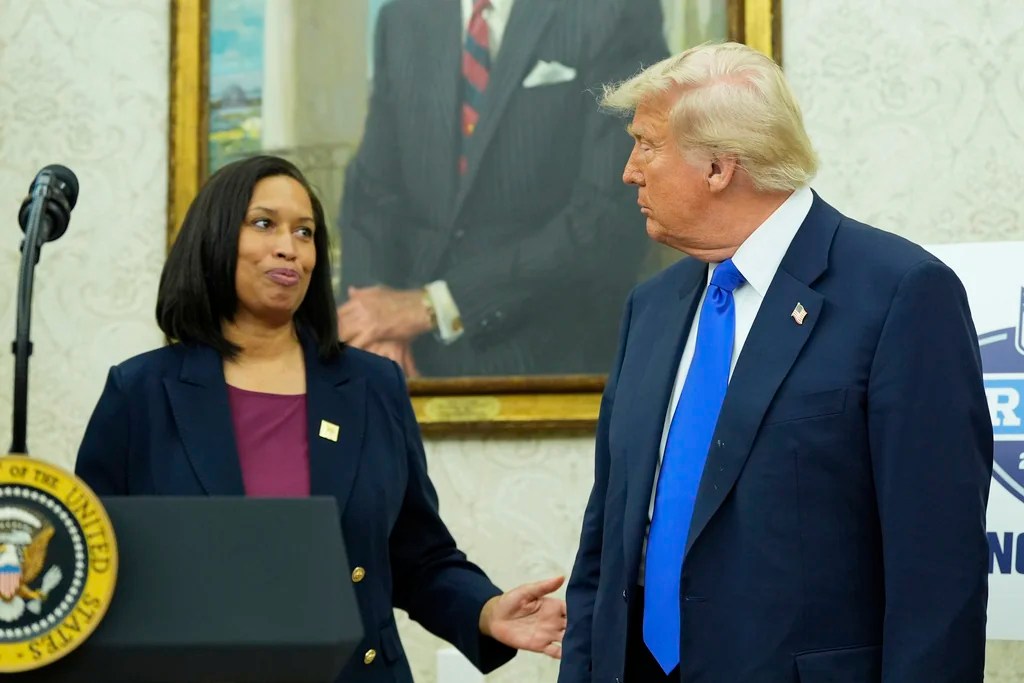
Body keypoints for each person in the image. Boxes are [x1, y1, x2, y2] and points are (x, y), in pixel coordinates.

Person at [559, 42, 993, 683]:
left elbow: (937, 572)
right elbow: (605, 543)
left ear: (717, 167)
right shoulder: (649, 308)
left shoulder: (900, 294)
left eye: (646, 145)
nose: (629, 171)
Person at [75, 155, 566, 682]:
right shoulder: (142, 392)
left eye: (305, 232)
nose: (290, 247)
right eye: (264, 224)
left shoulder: (372, 385)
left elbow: (418, 557)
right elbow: (93, 570)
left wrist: (487, 611)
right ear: (215, 238)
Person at [336, 0, 669, 377]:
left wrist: (435, 305)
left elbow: (607, 215)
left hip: (545, 352)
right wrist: (370, 322)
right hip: (403, 355)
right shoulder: (404, 16)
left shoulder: (615, 12)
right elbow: (370, 192)